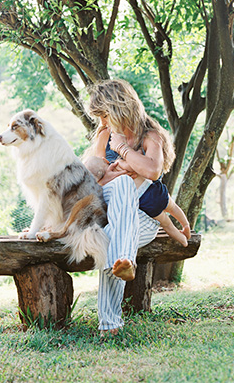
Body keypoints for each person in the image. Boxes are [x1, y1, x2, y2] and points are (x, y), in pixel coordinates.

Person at [84, 79, 191, 335]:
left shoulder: (150, 136)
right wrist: (120, 172)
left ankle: (111, 319)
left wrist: (121, 150)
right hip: (112, 210)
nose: (104, 122)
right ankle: (125, 262)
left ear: (119, 108)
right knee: (121, 187)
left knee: (116, 241)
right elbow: (93, 178)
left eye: (105, 115)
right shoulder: (104, 134)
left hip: (145, 218)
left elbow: (152, 171)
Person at [83, 155, 189, 247]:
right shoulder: (119, 164)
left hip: (146, 202)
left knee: (167, 225)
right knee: (173, 208)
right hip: (154, 189)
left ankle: (183, 240)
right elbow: (134, 167)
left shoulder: (108, 185)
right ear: (105, 160)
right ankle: (185, 225)